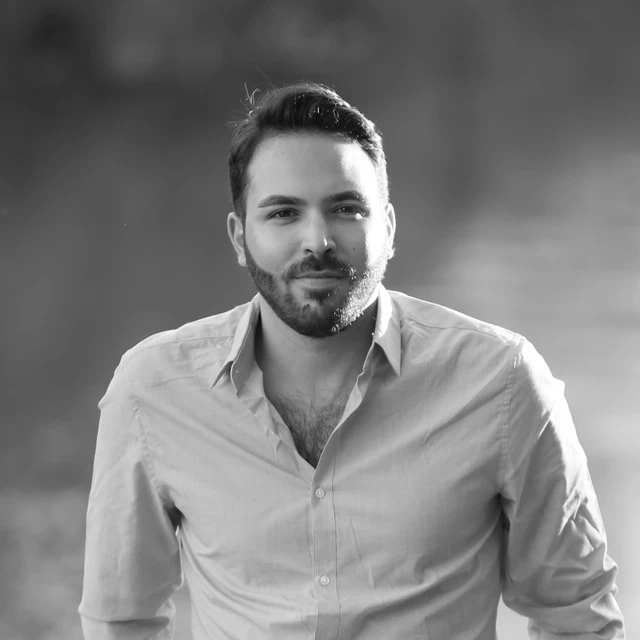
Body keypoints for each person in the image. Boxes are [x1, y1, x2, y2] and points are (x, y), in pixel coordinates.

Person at [78, 82, 625, 639]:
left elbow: (576, 615)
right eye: (283, 213)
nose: (317, 241)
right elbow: (121, 621)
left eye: (345, 209)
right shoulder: (154, 390)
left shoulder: (502, 382)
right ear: (240, 238)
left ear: (388, 228)